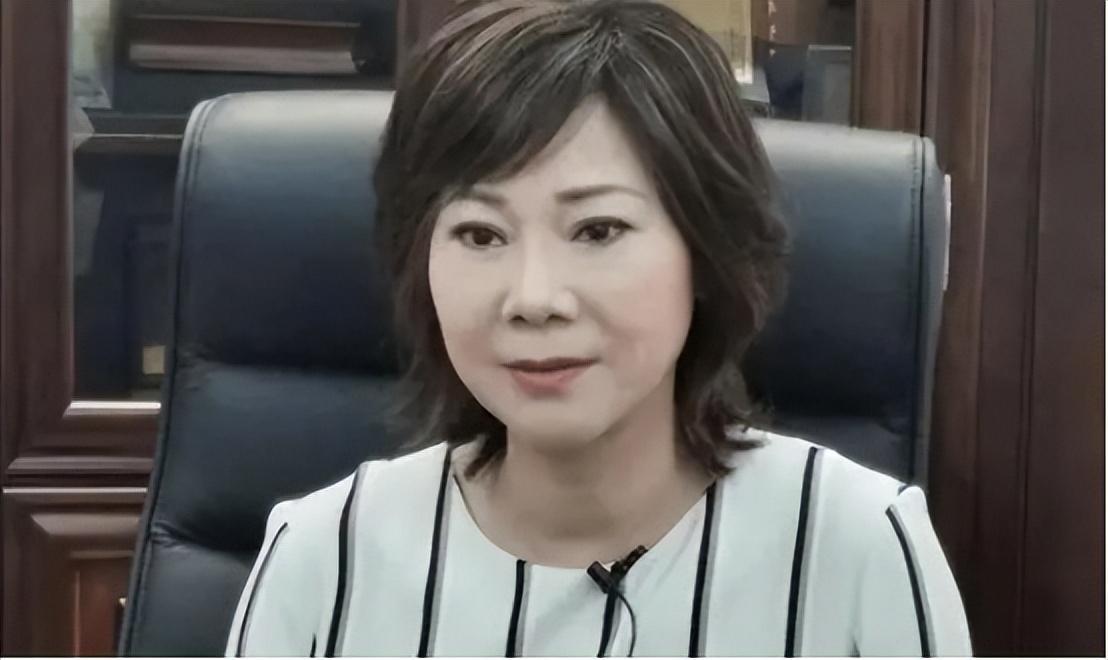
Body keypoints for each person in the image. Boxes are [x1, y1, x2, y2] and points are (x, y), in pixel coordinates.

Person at [224, 0, 972, 656]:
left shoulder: (857, 549)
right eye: (481, 234)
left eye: (597, 229)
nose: (534, 298)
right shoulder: (324, 559)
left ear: (705, 250)